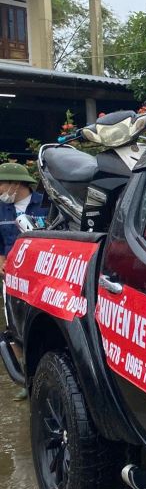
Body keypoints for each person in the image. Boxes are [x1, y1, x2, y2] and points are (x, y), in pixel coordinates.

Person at [0, 162, 47, 401]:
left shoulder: (46, 204)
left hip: (42, 277)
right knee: (14, 327)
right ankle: (25, 377)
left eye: (1, 184)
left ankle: (44, 375)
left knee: (42, 324)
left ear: (16, 184)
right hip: (12, 277)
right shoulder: (1, 209)